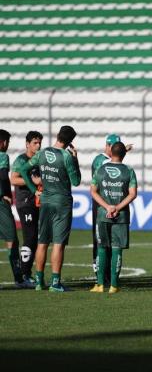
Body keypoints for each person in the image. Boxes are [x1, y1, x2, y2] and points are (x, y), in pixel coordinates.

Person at [20, 125, 81, 292]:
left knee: (42, 242)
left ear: (57, 135)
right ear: (70, 142)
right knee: (58, 244)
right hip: (62, 203)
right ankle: (55, 283)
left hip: (45, 201)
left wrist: (34, 191)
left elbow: (23, 169)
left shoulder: (42, 153)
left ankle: (39, 282)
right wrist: (75, 158)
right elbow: (76, 181)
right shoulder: (66, 157)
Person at [90, 142, 137, 293]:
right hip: (121, 215)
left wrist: (107, 206)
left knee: (102, 247)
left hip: (103, 215)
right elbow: (133, 194)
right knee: (117, 249)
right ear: (124, 154)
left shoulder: (100, 169)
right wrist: (117, 207)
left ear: (111, 152)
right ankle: (114, 285)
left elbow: (93, 191)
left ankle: (99, 284)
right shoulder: (129, 171)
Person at [10, 131, 43, 287]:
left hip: (37, 202)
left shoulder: (39, 160)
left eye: (39, 142)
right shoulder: (21, 160)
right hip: (25, 202)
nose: (38, 145)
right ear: (27, 144)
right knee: (30, 237)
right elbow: (14, 178)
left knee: (35, 238)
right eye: (35, 142)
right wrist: (33, 181)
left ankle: (29, 274)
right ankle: (24, 276)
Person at [91, 134, 121, 284]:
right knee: (100, 241)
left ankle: (108, 275)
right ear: (107, 146)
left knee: (111, 242)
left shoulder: (112, 161)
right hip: (100, 204)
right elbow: (104, 169)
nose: (115, 149)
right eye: (114, 146)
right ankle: (99, 274)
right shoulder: (99, 160)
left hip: (111, 205)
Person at [0, 129, 26, 288]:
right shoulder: (2, 156)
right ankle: (19, 279)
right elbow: (3, 176)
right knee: (12, 239)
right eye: (7, 142)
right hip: (0, 203)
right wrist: (8, 195)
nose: (7, 146)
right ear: (2, 142)